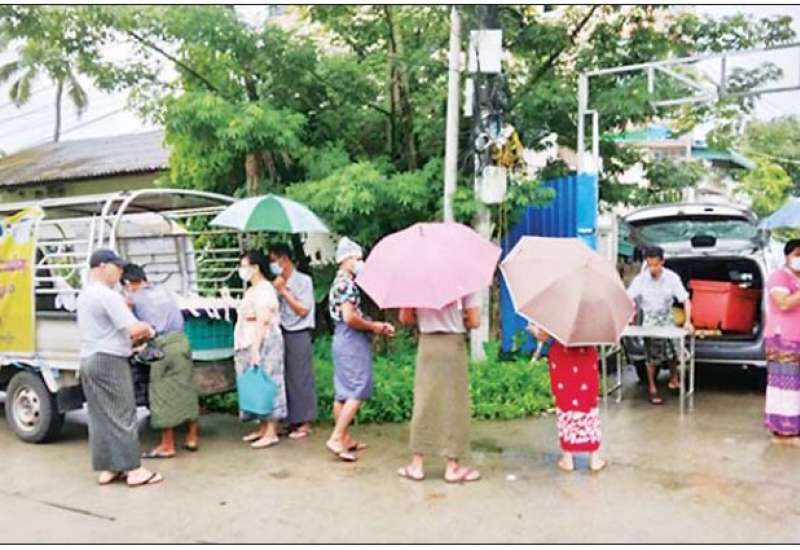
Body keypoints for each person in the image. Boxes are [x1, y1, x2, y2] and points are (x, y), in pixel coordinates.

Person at [77, 249, 163, 487]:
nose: (121, 272)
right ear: (102, 266)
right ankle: (134, 470)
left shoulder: (84, 295)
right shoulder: (108, 295)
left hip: (88, 359)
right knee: (123, 413)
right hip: (110, 360)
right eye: (117, 267)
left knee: (100, 416)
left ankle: (110, 467)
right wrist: (148, 329)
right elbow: (133, 329)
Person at [397, 294, 483, 483]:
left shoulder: (416, 283)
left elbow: (405, 318)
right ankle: (452, 466)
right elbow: (475, 321)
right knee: (453, 403)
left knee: (424, 401)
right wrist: (462, 318)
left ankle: (417, 464)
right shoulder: (464, 283)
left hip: (427, 344)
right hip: (453, 344)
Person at [122, 263, 200, 458]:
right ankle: (192, 438)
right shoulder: (163, 290)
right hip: (182, 342)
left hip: (162, 347)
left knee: (161, 394)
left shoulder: (132, 298)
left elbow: (134, 330)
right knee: (186, 389)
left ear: (128, 283)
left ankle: (167, 445)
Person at [326, 237, 394, 462]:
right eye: (356, 258)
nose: (359, 262)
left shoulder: (339, 282)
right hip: (350, 340)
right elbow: (349, 317)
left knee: (343, 392)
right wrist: (373, 326)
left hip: (341, 338)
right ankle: (337, 437)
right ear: (346, 259)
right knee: (358, 387)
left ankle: (344, 437)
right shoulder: (346, 284)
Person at [529, 325, 606, 472]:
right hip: (586, 354)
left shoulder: (558, 313)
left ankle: (568, 458)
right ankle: (594, 458)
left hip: (562, 356)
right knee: (588, 403)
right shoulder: (592, 315)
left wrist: (535, 331)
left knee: (566, 402)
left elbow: (544, 335)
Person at [626, 246, 693, 405]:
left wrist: (688, 322)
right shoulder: (640, 280)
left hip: (667, 316)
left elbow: (685, 300)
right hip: (650, 318)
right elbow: (628, 299)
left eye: (656, 265)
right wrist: (629, 316)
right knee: (652, 356)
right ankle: (652, 388)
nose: (653, 269)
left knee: (673, 351)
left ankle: (674, 379)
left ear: (662, 262)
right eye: (650, 265)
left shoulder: (672, 278)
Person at [235, 250, 287, 449]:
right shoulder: (252, 290)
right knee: (255, 386)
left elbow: (263, 320)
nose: (242, 270)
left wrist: (256, 349)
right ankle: (263, 427)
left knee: (268, 383)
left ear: (256, 268)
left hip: (264, 342)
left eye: (244, 266)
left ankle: (272, 430)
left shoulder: (264, 289)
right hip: (248, 341)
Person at [269, 243, 317, 440]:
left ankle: (304, 421)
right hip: (281, 331)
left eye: (274, 260)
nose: (272, 264)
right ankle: (289, 419)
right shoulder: (276, 282)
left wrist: (284, 291)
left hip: (299, 331)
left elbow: (303, 309)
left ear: (285, 260)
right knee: (285, 377)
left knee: (301, 377)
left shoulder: (303, 281)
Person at [764, 239, 800, 445]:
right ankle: (783, 432)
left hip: (797, 337)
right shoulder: (779, 276)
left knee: (796, 386)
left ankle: (794, 427)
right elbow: (783, 303)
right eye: (797, 255)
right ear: (787, 256)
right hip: (783, 339)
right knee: (786, 386)